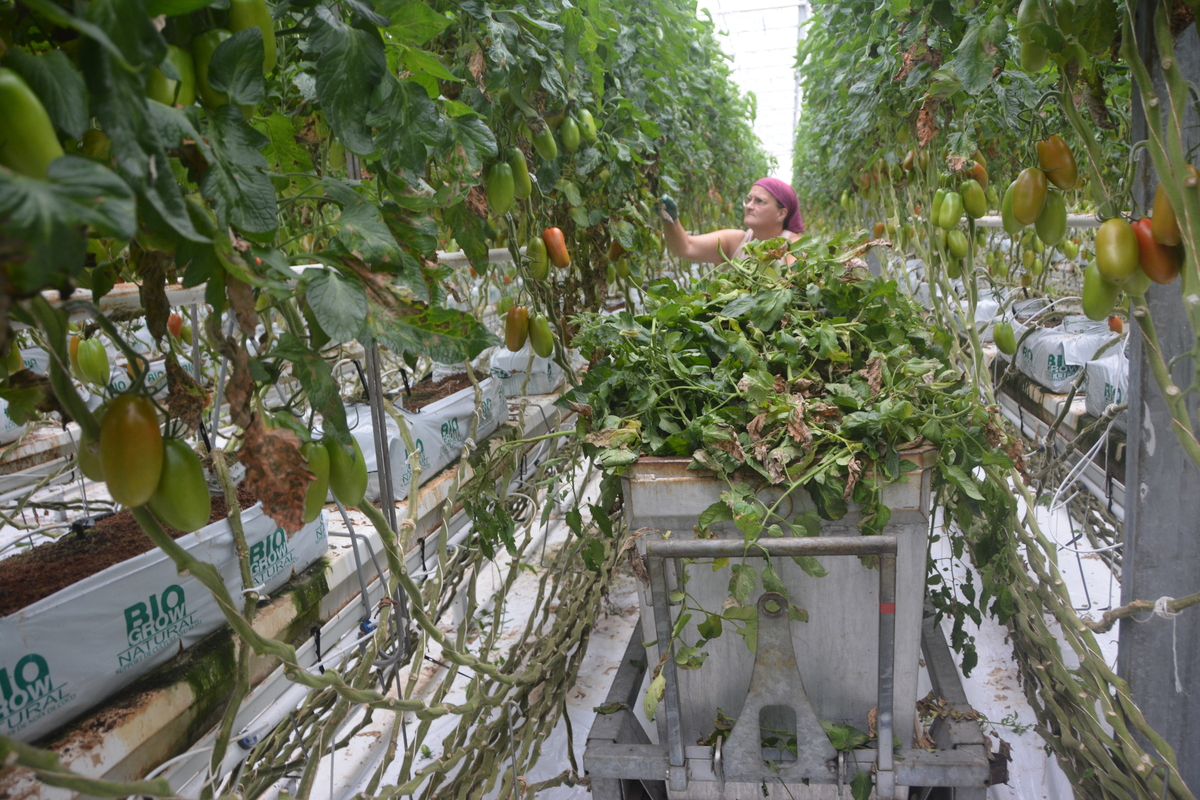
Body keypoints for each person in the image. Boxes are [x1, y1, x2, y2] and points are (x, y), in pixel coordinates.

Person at [657, 177, 806, 265]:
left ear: (781, 213)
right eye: (749, 200)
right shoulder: (736, 240)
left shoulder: (794, 246)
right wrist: (671, 220)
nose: (749, 206)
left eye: (759, 201)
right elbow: (685, 248)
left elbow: (792, 287)